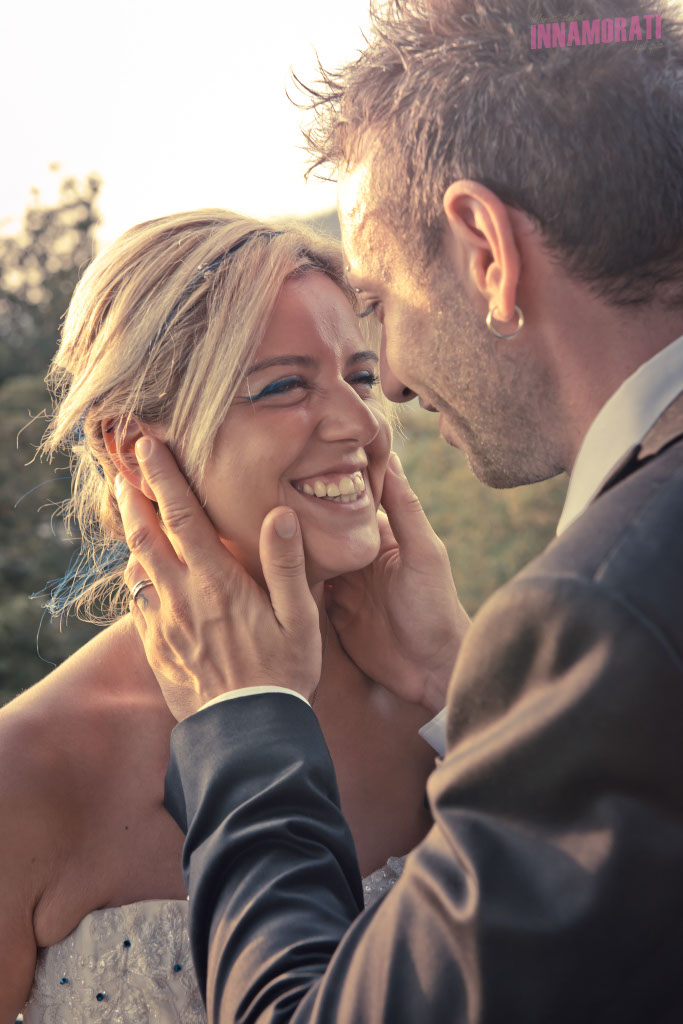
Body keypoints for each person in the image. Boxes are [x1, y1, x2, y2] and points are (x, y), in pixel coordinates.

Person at [118, 0, 683, 1021]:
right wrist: (450, 690)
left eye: (376, 313)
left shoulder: (604, 616)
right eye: (285, 382)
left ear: (485, 252)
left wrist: (243, 726)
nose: (389, 397)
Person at [0, 210, 455, 1022]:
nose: (361, 425)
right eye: (283, 386)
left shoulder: (451, 704)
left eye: (358, 375)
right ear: (130, 446)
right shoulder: (26, 768)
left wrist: (458, 676)